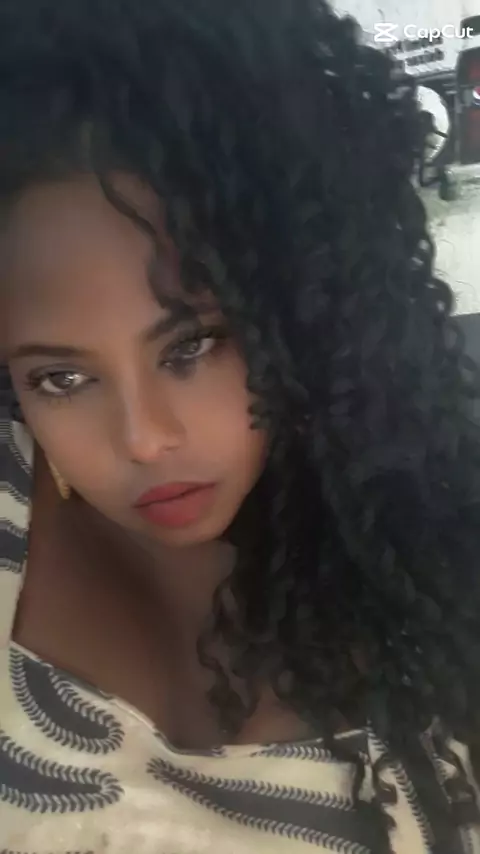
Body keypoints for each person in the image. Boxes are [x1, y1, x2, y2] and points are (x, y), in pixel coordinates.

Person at [0, 1, 480, 851]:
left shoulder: (438, 567)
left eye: (192, 345)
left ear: (301, 308)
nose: (143, 439)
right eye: (61, 377)